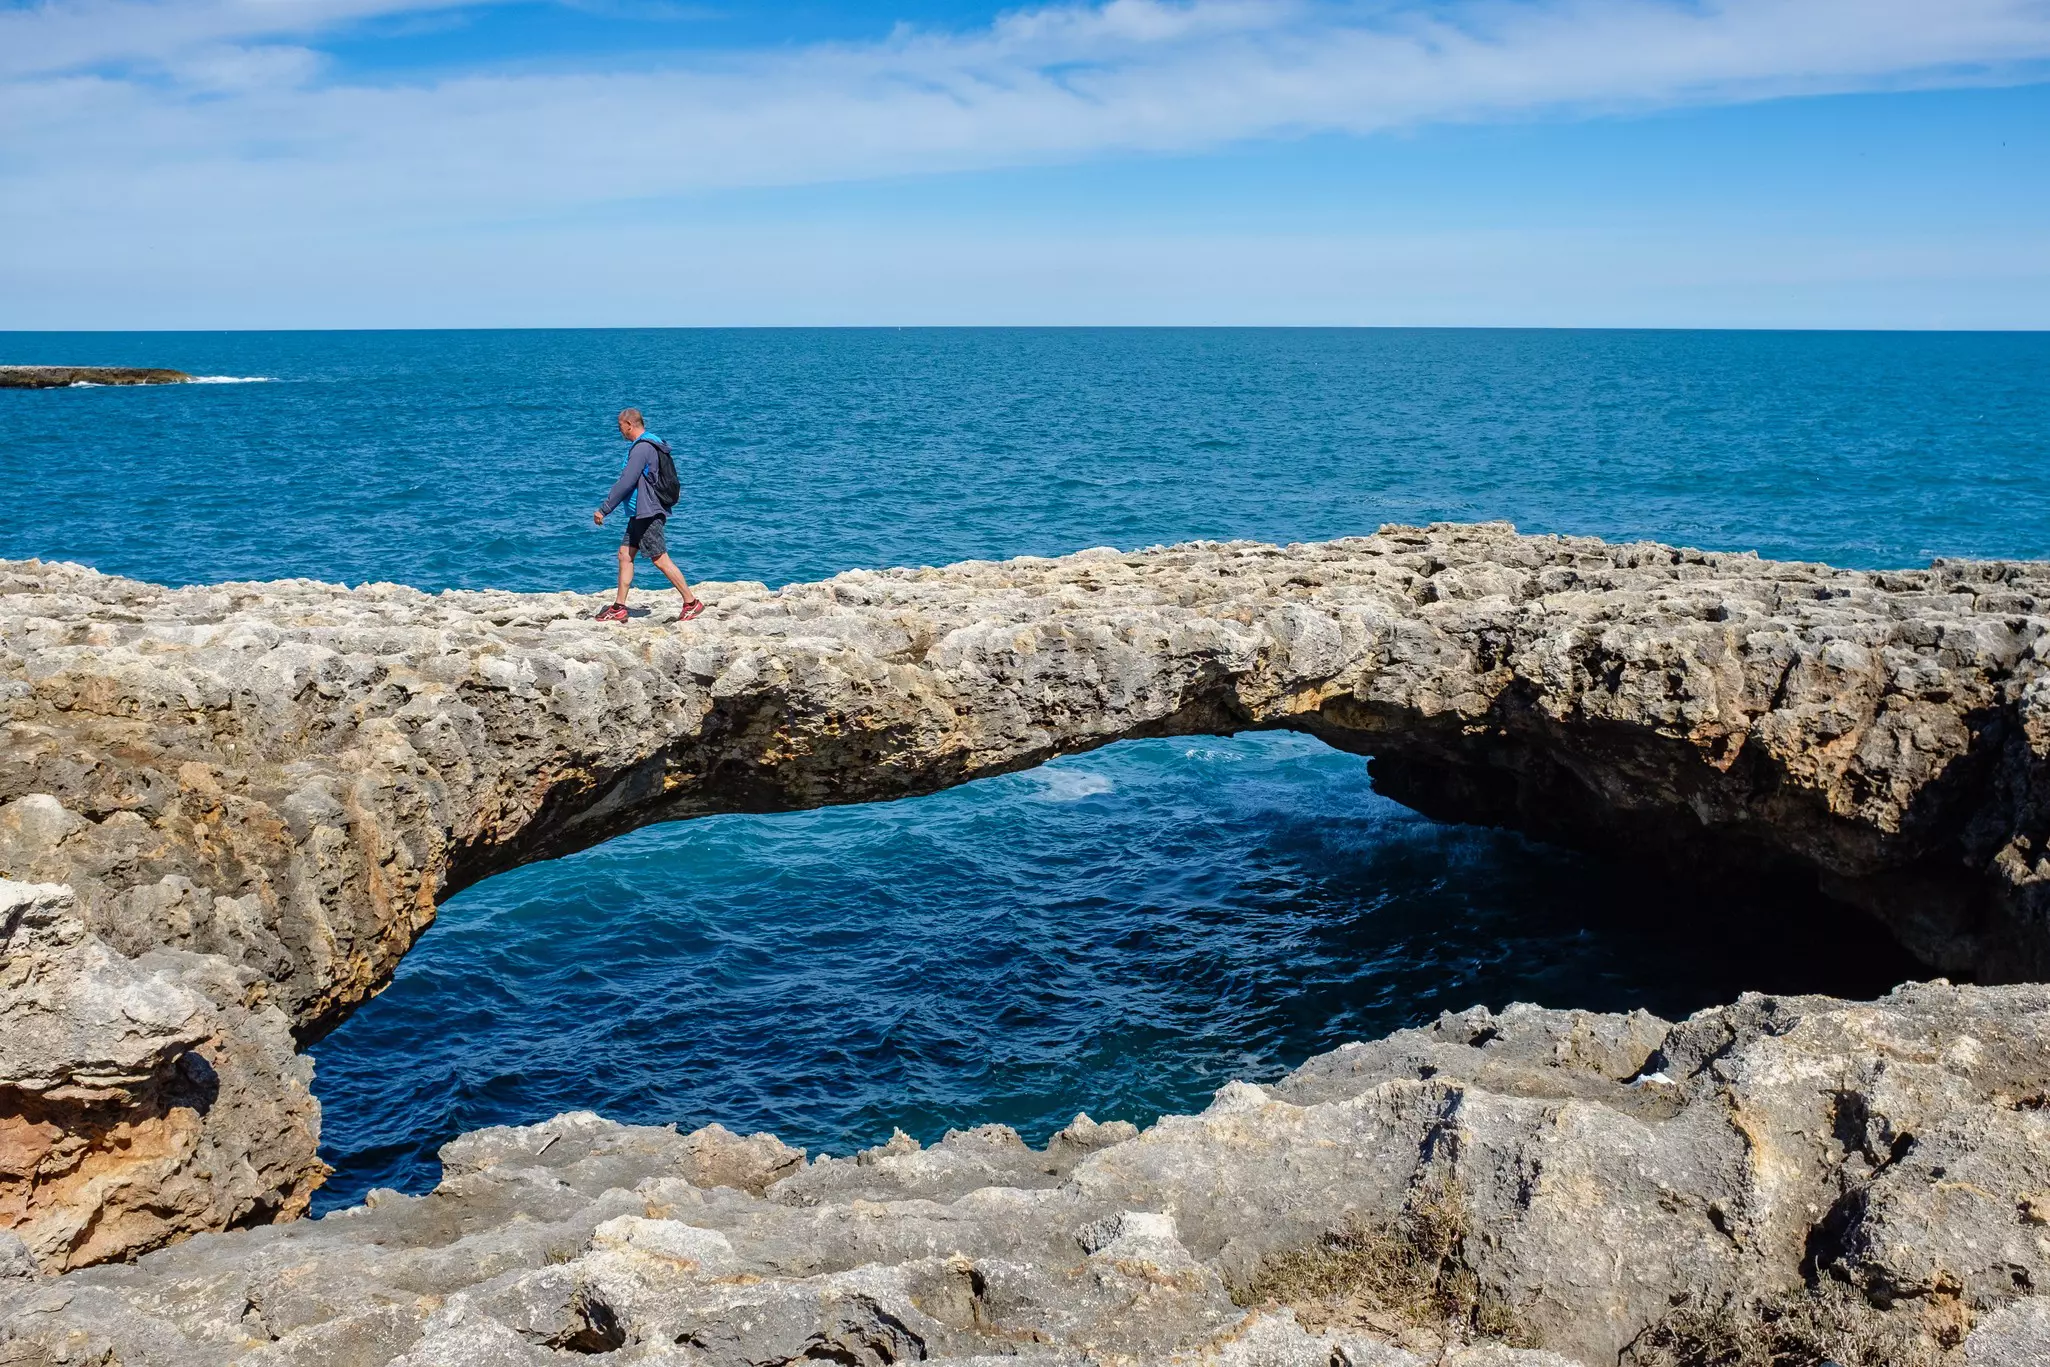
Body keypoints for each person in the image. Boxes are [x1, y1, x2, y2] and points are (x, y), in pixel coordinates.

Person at [593, 408, 704, 623]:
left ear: (629, 425)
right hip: (638, 512)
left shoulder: (642, 448)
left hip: (648, 512)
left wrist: (604, 508)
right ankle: (619, 607)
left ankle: (691, 602)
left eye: (620, 427)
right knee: (625, 555)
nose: (620, 431)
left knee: (660, 559)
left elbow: (627, 481)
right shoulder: (651, 443)